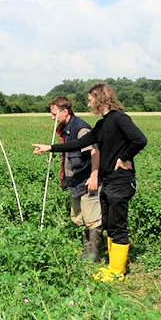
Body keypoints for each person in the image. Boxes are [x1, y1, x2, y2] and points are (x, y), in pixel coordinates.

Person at [33, 84, 147, 282]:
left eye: (90, 99)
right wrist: (50, 147)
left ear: (100, 98)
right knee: (110, 225)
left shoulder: (120, 118)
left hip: (121, 182)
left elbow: (140, 140)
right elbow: (79, 144)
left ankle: (117, 272)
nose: (88, 103)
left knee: (118, 226)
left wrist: (124, 158)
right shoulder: (103, 124)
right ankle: (113, 266)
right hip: (108, 181)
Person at [48, 96, 103, 262]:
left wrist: (94, 176)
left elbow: (94, 152)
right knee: (79, 217)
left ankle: (93, 255)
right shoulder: (65, 128)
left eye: (54, 113)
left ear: (65, 111)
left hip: (87, 181)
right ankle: (86, 251)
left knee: (92, 219)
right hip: (75, 181)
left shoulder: (81, 129)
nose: (52, 117)